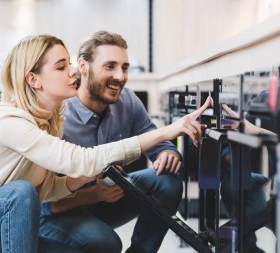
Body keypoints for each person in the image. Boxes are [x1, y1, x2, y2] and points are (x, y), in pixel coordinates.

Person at [0, 34, 210, 253]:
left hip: (6, 233)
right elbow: (80, 160)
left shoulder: (48, 122)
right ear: (34, 80)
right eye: (61, 66)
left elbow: (49, 189)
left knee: (98, 246)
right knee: (19, 192)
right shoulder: (11, 122)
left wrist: (80, 180)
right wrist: (168, 131)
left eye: (68, 63)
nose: (72, 72)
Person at [38, 31, 212, 253]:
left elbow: (157, 142)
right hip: (59, 214)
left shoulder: (127, 100)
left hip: (107, 197)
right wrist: (91, 194)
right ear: (83, 66)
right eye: (110, 66)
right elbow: (43, 204)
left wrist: (168, 154)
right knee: (106, 243)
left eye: (125, 67)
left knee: (168, 182)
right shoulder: (58, 114)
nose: (120, 76)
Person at [220, 103, 276, 253]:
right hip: (274, 181)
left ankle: (235, 239)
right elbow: (243, 124)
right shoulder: (268, 100)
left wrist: (258, 132)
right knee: (230, 184)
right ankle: (246, 246)